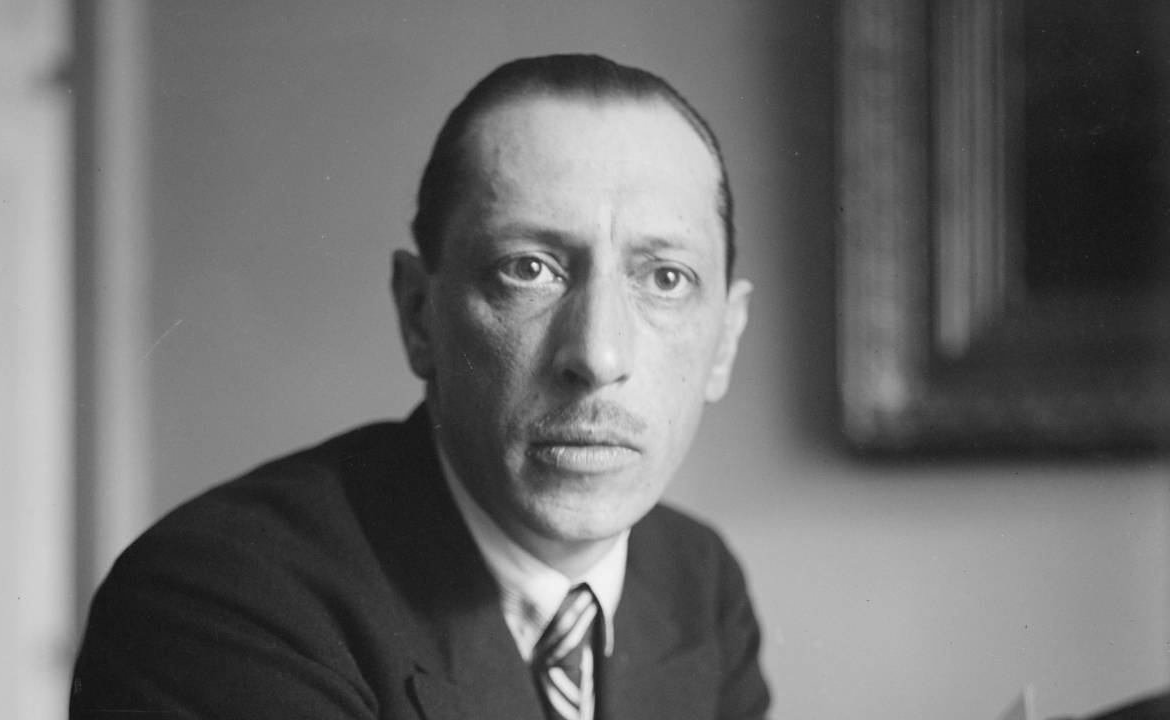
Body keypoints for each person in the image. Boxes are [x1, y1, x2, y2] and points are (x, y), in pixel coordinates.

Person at [70, 54, 767, 720]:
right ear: (418, 314)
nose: (597, 354)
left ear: (726, 340)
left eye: (666, 278)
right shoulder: (221, 599)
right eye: (529, 269)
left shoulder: (698, 582)